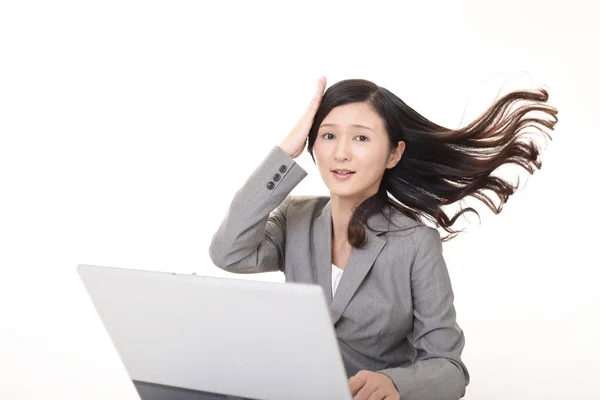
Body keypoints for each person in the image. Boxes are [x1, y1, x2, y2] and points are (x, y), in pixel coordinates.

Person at [209, 76, 558, 400]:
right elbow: (229, 253)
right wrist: (286, 153)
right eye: (328, 136)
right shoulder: (294, 217)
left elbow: (449, 369)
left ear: (394, 153)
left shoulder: (416, 242)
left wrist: (395, 383)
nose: (340, 153)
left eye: (360, 137)